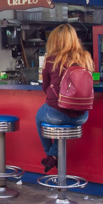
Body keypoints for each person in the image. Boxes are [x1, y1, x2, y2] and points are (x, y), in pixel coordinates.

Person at [36, 24, 93, 173]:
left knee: (39, 118)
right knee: (63, 128)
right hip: (81, 116)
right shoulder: (85, 58)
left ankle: (50, 154)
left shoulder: (51, 60)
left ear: (55, 41)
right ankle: (53, 155)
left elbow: (45, 87)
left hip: (56, 115)